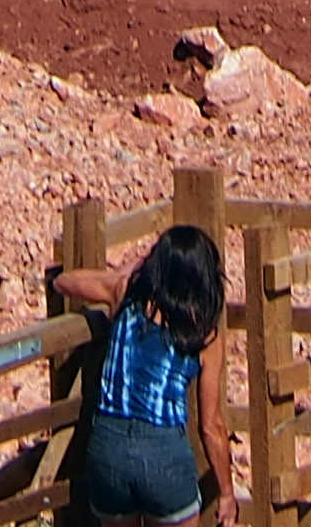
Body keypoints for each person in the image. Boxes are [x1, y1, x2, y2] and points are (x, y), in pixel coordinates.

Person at [55, 225, 231, 527]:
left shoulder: (125, 295)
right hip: (164, 454)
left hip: (108, 448)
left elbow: (64, 282)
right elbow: (211, 427)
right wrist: (226, 492)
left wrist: (129, 270)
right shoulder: (204, 333)